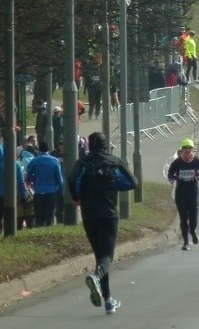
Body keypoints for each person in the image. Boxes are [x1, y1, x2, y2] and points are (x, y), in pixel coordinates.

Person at [68, 132, 137, 315]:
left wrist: (77, 197)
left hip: (89, 214)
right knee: (107, 256)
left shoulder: (83, 162)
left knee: (100, 256)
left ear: (90, 145)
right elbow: (132, 182)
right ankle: (97, 277)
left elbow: (72, 179)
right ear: (106, 145)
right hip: (108, 214)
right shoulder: (114, 162)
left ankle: (108, 300)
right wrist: (114, 185)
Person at [167, 138, 199, 251]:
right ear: (182, 149)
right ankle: (185, 242)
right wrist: (174, 178)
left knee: (193, 217)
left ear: (192, 149)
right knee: (183, 218)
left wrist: (198, 177)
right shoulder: (177, 162)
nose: (188, 151)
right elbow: (170, 173)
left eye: (190, 148)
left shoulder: (196, 161)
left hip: (193, 191)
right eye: (185, 148)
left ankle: (193, 231)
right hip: (181, 192)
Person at [24, 140, 63, 227]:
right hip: (52, 192)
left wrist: (32, 181)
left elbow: (27, 175)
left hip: (38, 192)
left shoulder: (35, 161)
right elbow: (59, 179)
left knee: (39, 217)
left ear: (39, 150)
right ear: (48, 150)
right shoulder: (55, 161)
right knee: (50, 217)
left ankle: (39, 234)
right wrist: (61, 193)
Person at [0, 142, 29, 234]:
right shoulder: (15, 164)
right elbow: (21, 181)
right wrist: (23, 196)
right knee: (9, 216)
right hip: (10, 195)